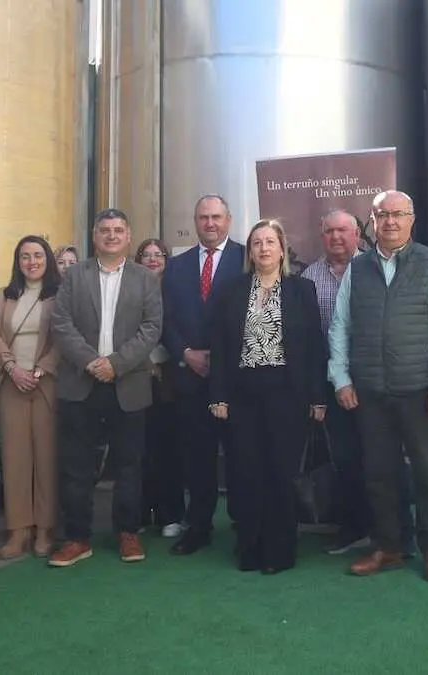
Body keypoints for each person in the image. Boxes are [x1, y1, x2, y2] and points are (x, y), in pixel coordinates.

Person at [328, 190, 428, 582]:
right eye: (382, 215)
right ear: (372, 221)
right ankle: (388, 547)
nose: (389, 222)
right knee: (379, 475)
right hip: (370, 391)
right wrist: (341, 377)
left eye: (397, 214)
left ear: (411, 219)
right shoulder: (359, 268)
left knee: (426, 474)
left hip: (419, 390)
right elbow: (341, 327)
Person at [209, 219, 328, 573]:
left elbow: (314, 349)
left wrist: (318, 398)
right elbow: (220, 346)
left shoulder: (301, 290)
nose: (263, 248)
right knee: (246, 472)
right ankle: (249, 548)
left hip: (287, 395)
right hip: (243, 394)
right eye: (257, 243)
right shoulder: (232, 290)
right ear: (250, 251)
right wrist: (218, 395)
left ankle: (279, 551)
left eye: (270, 242)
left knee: (281, 473)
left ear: (281, 249)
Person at [48, 208, 163, 567]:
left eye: (118, 230)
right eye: (104, 230)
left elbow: (151, 328)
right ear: (94, 236)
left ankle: (127, 533)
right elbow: (61, 323)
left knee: (129, 464)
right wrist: (91, 362)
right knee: (77, 465)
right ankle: (77, 538)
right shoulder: (73, 277)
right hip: (80, 382)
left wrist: (115, 364)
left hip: (127, 383)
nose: (111, 236)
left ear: (128, 237)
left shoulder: (146, 279)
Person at [301, 209, 414, 556]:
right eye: (330, 231)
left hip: (376, 380)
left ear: (357, 235)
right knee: (346, 460)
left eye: (344, 231)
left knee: (386, 460)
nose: (336, 237)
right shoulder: (308, 277)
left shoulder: (374, 268)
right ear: (322, 237)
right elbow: (306, 337)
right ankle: (353, 529)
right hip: (333, 383)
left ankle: (399, 535)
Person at [161, 195, 247, 555]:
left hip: (238, 379)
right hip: (190, 377)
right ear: (195, 221)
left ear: (228, 220)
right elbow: (164, 318)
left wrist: (224, 359)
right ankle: (199, 526)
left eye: (216, 217)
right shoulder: (176, 266)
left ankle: (245, 525)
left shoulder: (248, 258)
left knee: (242, 455)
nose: (210, 223)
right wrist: (185, 354)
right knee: (197, 457)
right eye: (203, 217)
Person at [0, 235, 63, 559]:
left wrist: (41, 369)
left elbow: (65, 338)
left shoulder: (60, 296)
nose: (31, 262)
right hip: (11, 383)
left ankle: (45, 530)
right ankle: (18, 530)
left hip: (47, 383)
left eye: (38, 255)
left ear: (48, 260)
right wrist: (12, 368)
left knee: (46, 458)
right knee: (15, 459)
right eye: (25, 257)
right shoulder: (2, 296)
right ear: (17, 262)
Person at [135, 238, 185, 538]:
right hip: (136, 376)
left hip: (170, 380)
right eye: (146, 255)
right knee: (138, 451)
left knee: (170, 450)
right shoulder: (130, 287)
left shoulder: (176, 290)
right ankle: (140, 512)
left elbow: (177, 328)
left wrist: (161, 358)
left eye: (159, 255)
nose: (153, 260)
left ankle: (171, 514)